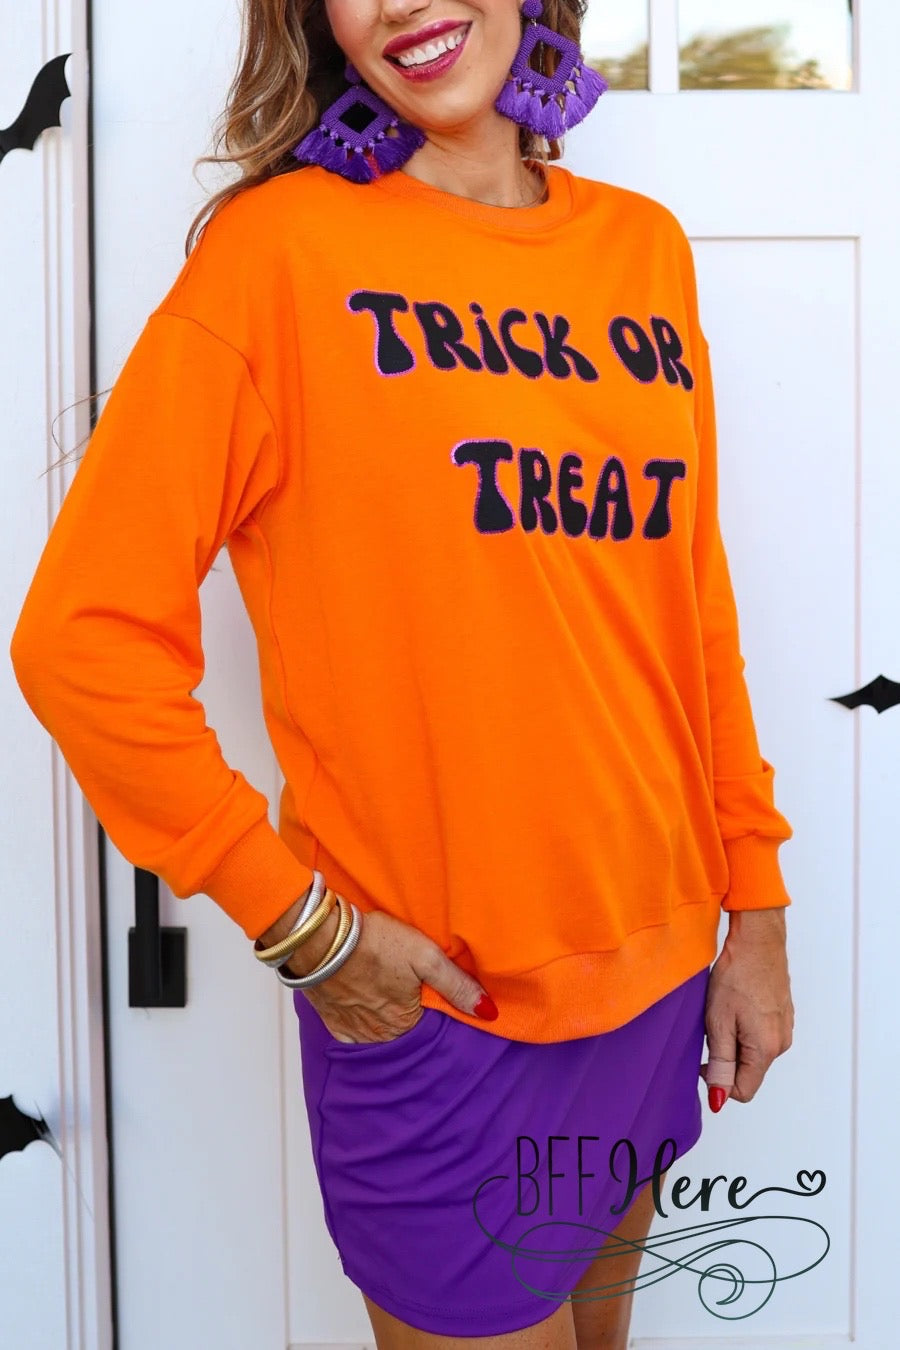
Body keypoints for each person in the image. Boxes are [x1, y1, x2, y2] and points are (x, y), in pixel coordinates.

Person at [10, 0, 795, 1345]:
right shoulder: (281, 256)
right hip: (442, 1014)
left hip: (658, 975)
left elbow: (690, 611)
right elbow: (81, 636)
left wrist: (755, 909)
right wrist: (301, 927)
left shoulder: (642, 251)